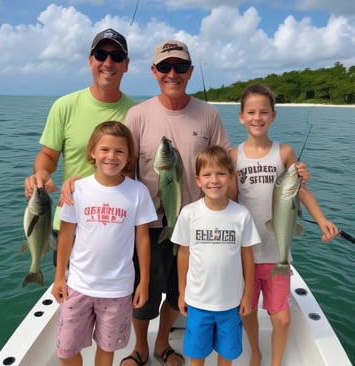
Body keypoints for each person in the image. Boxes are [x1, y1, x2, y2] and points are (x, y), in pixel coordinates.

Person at [121, 40, 232, 366]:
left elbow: (226, 166)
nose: (173, 73)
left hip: (198, 226)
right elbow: (123, 169)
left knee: (180, 289)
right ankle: (139, 345)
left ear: (191, 72)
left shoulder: (209, 113)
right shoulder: (137, 115)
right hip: (150, 226)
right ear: (154, 71)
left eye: (180, 67)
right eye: (165, 67)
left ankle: (162, 343)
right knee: (145, 292)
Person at [229, 83, 339, 366]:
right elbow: (228, 202)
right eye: (251, 112)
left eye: (264, 112)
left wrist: (322, 219)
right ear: (241, 116)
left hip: (277, 255)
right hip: (246, 256)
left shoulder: (285, 152)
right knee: (247, 311)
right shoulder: (233, 156)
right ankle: (256, 353)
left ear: (274, 116)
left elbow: (300, 191)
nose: (257, 117)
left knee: (283, 318)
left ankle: (275, 363)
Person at [51, 121, 157, 366]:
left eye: (119, 151)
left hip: (118, 289)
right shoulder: (77, 189)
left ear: (129, 156)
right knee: (65, 349)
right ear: (92, 152)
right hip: (78, 285)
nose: (111, 156)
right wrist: (59, 276)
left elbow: (142, 239)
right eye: (105, 149)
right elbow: (66, 235)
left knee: (107, 348)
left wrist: (144, 281)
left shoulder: (138, 192)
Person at [24, 28, 135, 243]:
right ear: (90, 61)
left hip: (117, 224)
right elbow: (48, 155)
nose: (108, 63)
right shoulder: (63, 106)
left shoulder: (138, 113)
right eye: (101, 55)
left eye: (117, 56)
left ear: (126, 65)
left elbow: (134, 169)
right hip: (69, 222)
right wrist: (41, 173)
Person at [171, 145, 260, 366]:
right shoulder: (189, 213)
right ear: (198, 180)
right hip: (198, 301)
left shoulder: (241, 214)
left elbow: (247, 256)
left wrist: (247, 294)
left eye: (221, 173)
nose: (214, 180)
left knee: (227, 354)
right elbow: (183, 254)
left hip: (231, 302)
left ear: (231, 178)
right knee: (197, 354)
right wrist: (182, 292)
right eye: (207, 174)